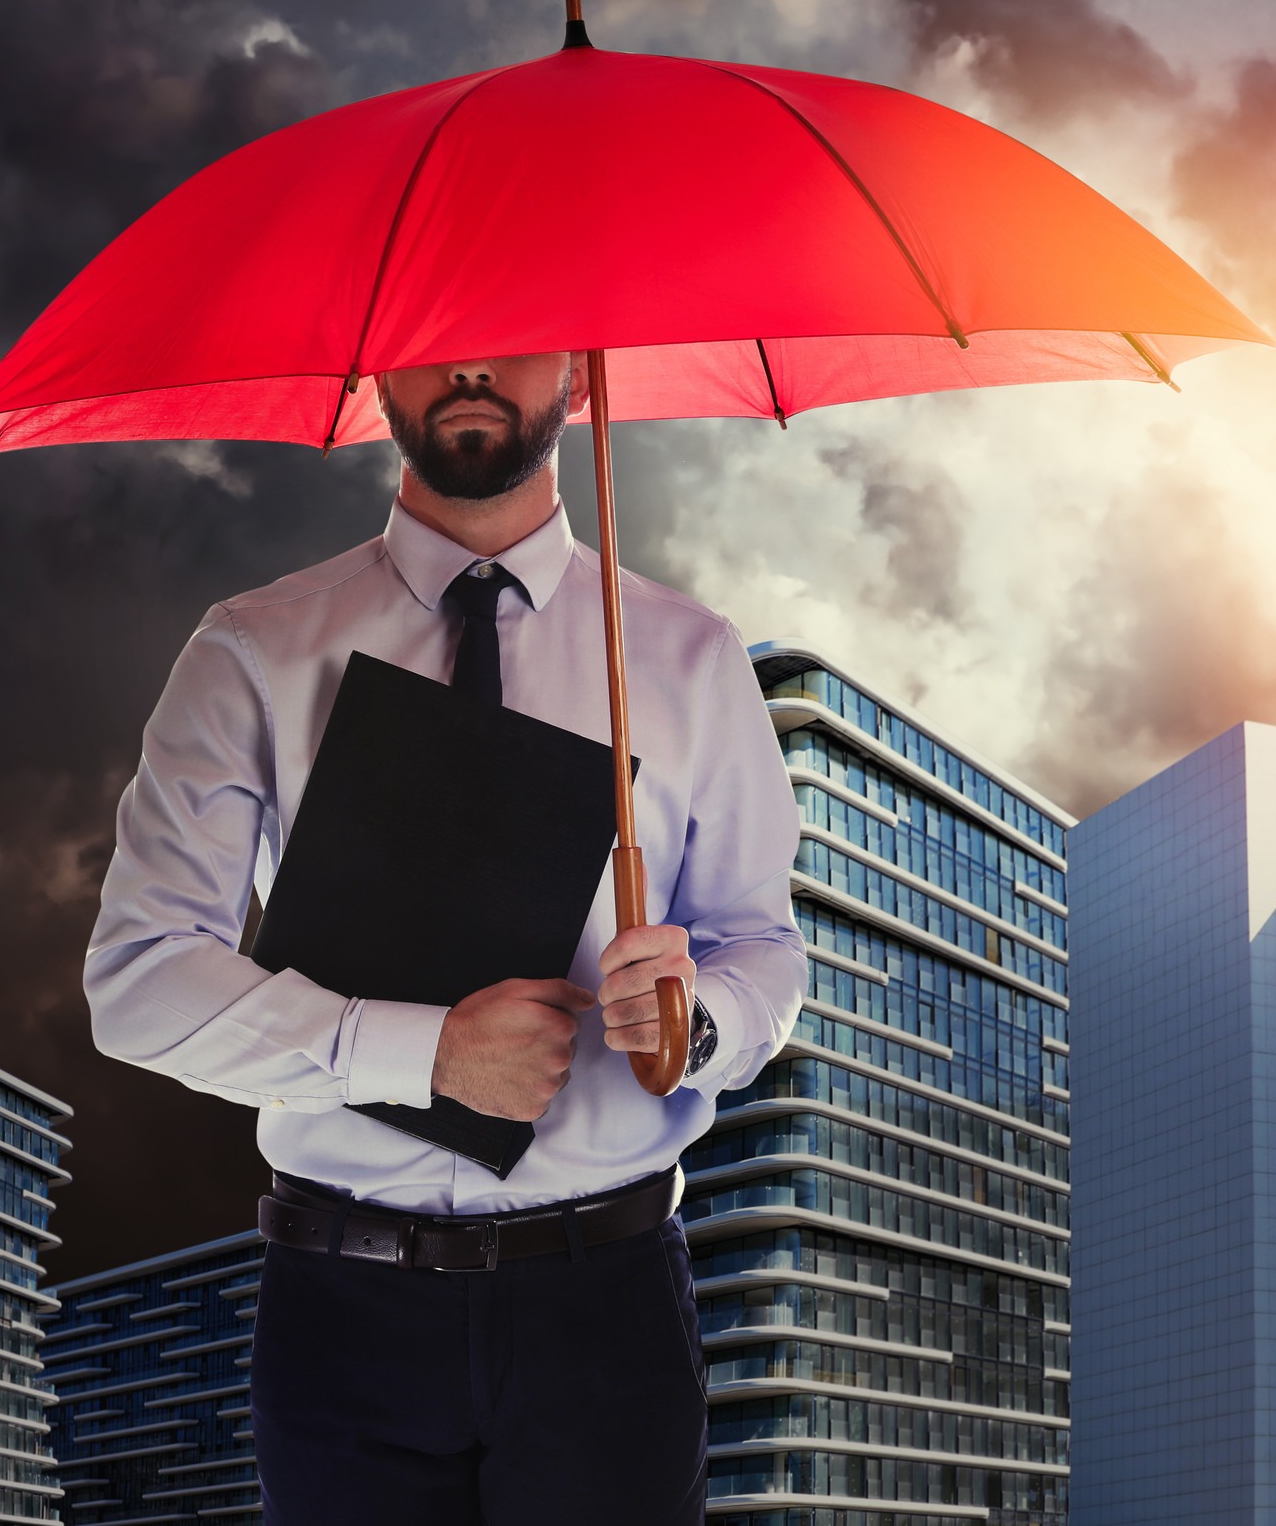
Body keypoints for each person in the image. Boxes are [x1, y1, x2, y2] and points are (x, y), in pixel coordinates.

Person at [84, 350, 808, 1526]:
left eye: (510, 328)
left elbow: (763, 948)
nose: (470, 360)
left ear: (579, 370)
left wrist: (698, 1017)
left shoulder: (684, 655)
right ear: (377, 371)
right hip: (343, 1310)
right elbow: (137, 981)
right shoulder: (253, 651)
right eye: (437, 327)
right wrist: (421, 1054)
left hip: (606, 1307)